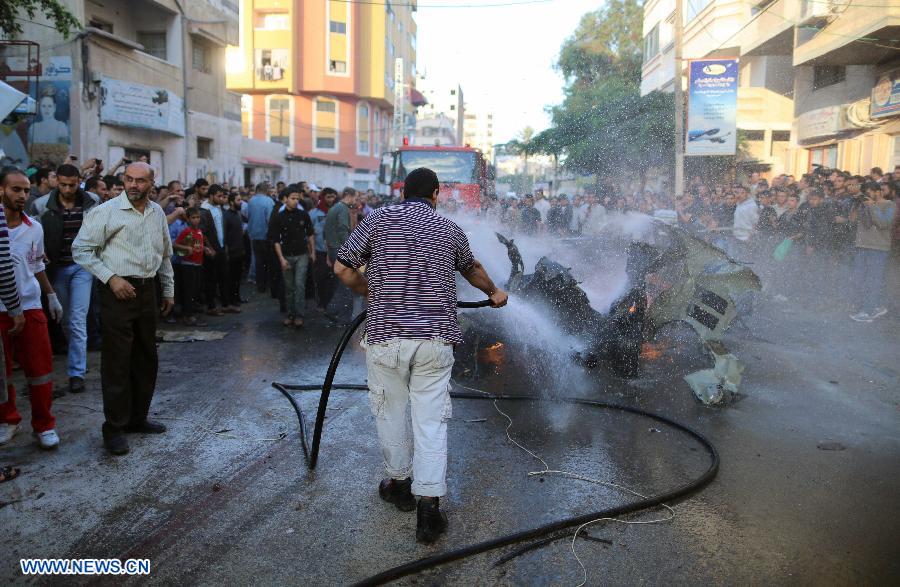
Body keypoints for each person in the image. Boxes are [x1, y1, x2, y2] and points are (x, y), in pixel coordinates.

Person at [334, 167, 508, 544]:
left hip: (385, 338)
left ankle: (399, 487)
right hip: (433, 340)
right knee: (430, 422)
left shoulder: (376, 220)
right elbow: (472, 268)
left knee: (390, 412)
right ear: (435, 193)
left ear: (402, 193)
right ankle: (429, 510)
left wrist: (370, 290)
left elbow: (342, 268)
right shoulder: (447, 228)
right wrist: (494, 291)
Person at [72, 162, 175, 456]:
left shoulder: (157, 213)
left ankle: (137, 419)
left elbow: (164, 254)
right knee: (117, 362)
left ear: (152, 183)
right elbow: (80, 250)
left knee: (146, 357)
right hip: (117, 291)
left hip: (147, 290)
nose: (133, 185)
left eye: (140, 181)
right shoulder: (105, 212)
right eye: (129, 179)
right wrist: (111, 278)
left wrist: (167, 289)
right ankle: (114, 428)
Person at [0, 168, 62, 449]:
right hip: (1, 309)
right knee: (3, 372)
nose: (22, 195)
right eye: (16, 189)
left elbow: (36, 264)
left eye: (26, 190)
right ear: (1, 190)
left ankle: (44, 425)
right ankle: (9, 419)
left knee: (40, 369)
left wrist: (51, 295)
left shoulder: (34, 227)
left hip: (30, 306)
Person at [32, 164, 100, 394]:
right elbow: (34, 235)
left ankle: (76, 372)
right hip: (57, 269)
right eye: (63, 184)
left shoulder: (92, 201)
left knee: (78, 319)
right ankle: (75, 356)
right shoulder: (41, 205)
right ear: (56, 182)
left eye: (72, 185)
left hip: (83, 266)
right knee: (65, 319)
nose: (68, 189)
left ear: (79, 181)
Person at [848, 181, 895, 322]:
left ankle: (868, 311)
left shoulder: (889, 205)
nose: (867, 196)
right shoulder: (864, 204)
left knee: (873, 280)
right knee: (859, 279)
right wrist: (856, 204)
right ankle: (866, 307)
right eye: (865, 193)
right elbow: (852, 220)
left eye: (869, 192)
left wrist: (873, 206)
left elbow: (884, 223)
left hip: (878, 249)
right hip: (862, 246)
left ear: (878, 191)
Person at [268, 188, 315, 327]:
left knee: (299, 285)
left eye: (297, 199)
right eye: (292, 198)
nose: (295, 201)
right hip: (287, 255)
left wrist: (313, 252)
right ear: (285, 199)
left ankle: (299, 315)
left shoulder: (303, 214)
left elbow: (310, 233)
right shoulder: (279, 216)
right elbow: (275, 240)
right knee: (289, 287)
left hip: (302, 255)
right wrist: (281, 258)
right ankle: (290, 314)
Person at [200, 184, 235, 316]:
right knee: (211, 279)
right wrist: (209, 247)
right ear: (211, 196)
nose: (221, 199)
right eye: (218, 196)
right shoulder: (204, 210)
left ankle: (226, 305)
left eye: (222, 196)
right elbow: (202, 232)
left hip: (221, 248)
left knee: (224, 277)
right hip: (212, 250)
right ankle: (211, 307)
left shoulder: (219, 208)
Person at [324, 187, 358, 324]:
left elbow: (327, 232)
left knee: (342, 284)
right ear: (349, 196)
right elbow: (343, 230)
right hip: (340, 250)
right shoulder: (343, 209)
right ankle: (340, 316)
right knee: (346, 285)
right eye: (355, 198)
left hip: (333, 249)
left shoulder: (334, 208)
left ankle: (334, 311)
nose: (355, 201)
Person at [173, 208, 206, 326]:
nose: (196, 220)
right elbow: (175, 244)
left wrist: (206, 249)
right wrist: (186, 248)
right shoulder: (187, 231)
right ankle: (187, 316)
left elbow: (199, 244)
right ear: (188, 219)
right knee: (189, 291)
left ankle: (190, 314)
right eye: (193, 218)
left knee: (195, 290)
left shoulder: (198, 231)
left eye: (198, 217)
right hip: (188, 265)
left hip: (198, 264)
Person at [309, 187, 337, 309]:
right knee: (321, 278)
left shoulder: (338, 212)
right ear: (322, 198)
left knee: (333, 279)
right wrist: (312, 251)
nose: (331, 200)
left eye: (333, 197)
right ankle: (321, 302)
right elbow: (310, 234)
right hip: (320, 251)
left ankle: (330, 304)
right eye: (328, 197)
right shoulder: (314, 214)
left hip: (335, 251)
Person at [247, 182, 275, 293]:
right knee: (268, 260)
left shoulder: (251, 201)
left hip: (254, 234)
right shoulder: (269, 201)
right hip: (265, 235)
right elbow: (270, 219)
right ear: (266, 190)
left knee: (258, 261)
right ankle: (267, 284)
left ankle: (260, 285)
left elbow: (248, 216)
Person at [223, 192, 246, 308]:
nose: (240, 202)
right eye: (238, 200)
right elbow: (225, 235)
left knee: (238, 277)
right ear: (231, 202)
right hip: (231, 252)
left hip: (239, 251)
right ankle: (231, 299)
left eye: (240, 199)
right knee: (231, 278)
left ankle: (237, 297)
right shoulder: (227, 216)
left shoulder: (238, 214)